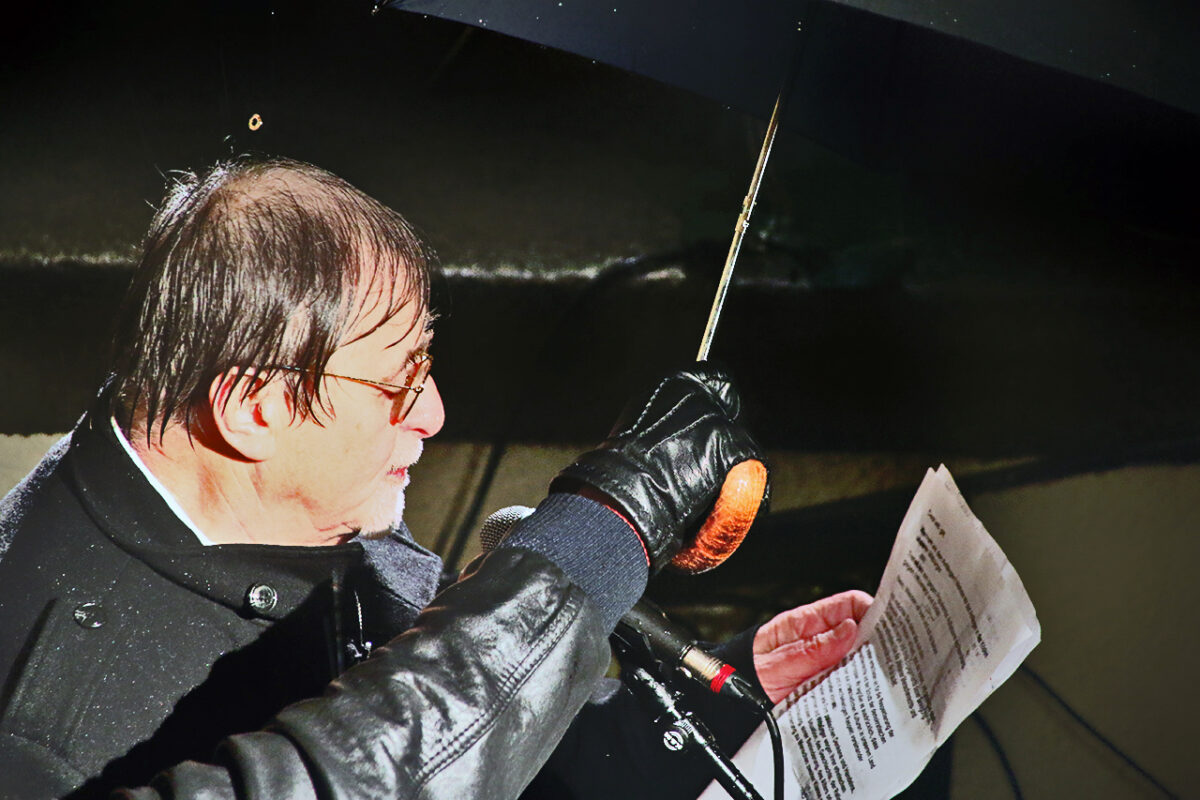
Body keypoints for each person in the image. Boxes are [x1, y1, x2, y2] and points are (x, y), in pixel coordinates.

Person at [0, 157, 870, 799]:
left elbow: (485, 750)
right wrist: (604, 528)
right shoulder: (39, 722)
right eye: (400, 382)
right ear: (254, 408)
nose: (434, 414)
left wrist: (710, 705)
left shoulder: (304, 506)